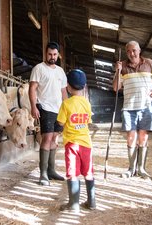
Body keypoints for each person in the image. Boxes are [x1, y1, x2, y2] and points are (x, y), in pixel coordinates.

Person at [113, 40, 152, 179]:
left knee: (143, 137)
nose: (131, 53)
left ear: (139, 50)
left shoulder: (148, 63)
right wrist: (117, 71)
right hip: (129, 107)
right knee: (131, 137)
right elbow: (116, 87)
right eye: (129, 51)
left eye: (134, 50)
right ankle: (131, 169)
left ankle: (141, 168)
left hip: (146, 107)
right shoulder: (123, 66)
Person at [29, 41, 68, 186]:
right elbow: (32, 88)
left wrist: (67, 108)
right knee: (47, 138)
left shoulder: (60, 71)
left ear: (58, 55)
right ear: (46, 53)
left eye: (55, 54)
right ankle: (43, 173)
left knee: (55, 139)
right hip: (45, 107)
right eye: (50, 54)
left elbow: (64, 91)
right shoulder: (38, 68)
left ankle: (51, 170)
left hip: (59, 109)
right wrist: (34, 106)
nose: (52, 57)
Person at [57, 69, 95, 213]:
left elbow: (60, 123)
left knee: (73, 173)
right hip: (86, 143)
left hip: (72, 144)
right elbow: (88, 121)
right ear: (84, 86)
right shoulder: (86, 103)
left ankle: (73, 205)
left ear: (68, 86)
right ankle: (92, 202)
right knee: (88, 172)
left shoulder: (66, 104)